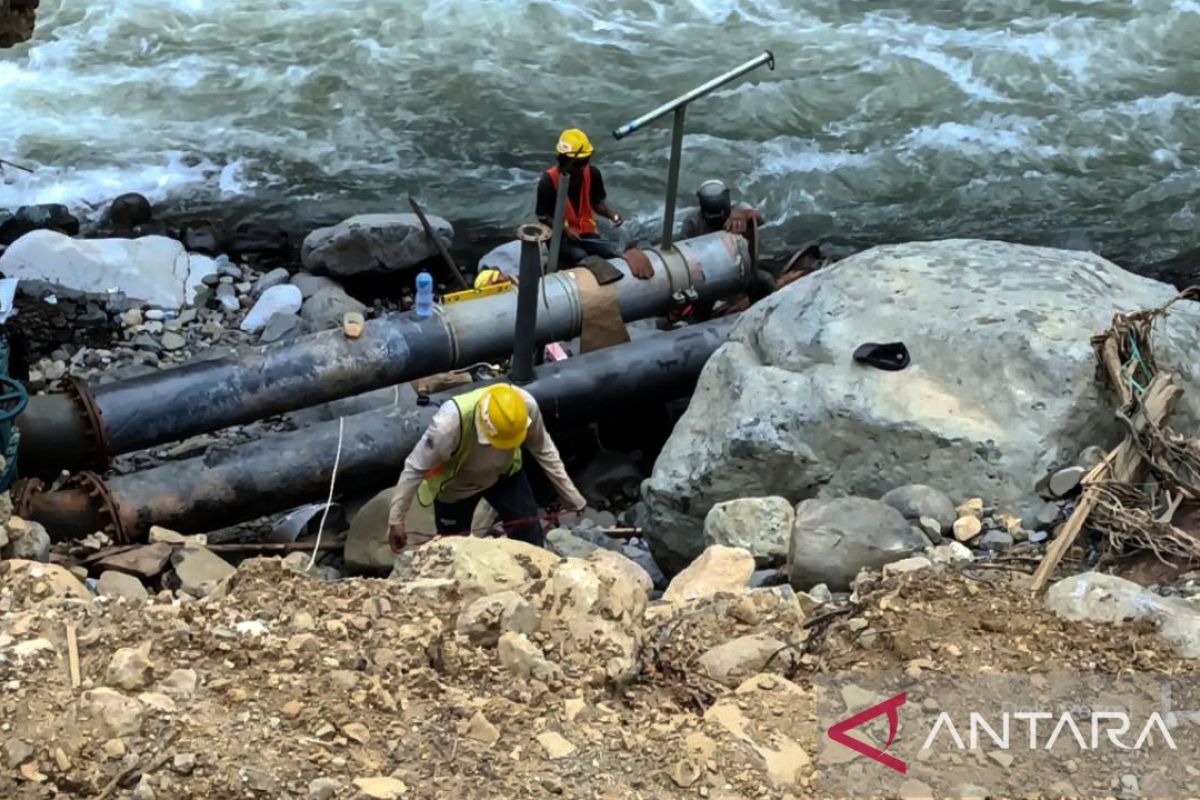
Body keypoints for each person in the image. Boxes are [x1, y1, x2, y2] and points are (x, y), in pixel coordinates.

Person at [388, 383, 586, 552]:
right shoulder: (448, 425)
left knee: (530, 539)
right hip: (456, 488)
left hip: (505, 475)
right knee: (454, 552)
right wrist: (396, 520)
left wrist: (571, 494)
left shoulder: (525, 406)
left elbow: (543, 449)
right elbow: (415, 468)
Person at [536, 128, 625, 267]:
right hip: (559, 236)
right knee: (580, 255)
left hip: (585, 232)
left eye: (586, 162)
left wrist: (610, 214)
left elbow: (596, 202)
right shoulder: (548, 182)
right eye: (578, 164)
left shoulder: (593, 173)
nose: (583, 167)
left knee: (608, 251)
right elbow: (543, 217)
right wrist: (565, 230)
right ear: (565, 161)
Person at [678, 179, 764, 240]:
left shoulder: (740, 210)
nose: (716, 221)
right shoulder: (693, 222)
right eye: (711, 215)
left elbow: (759, 220)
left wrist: (746, 215)